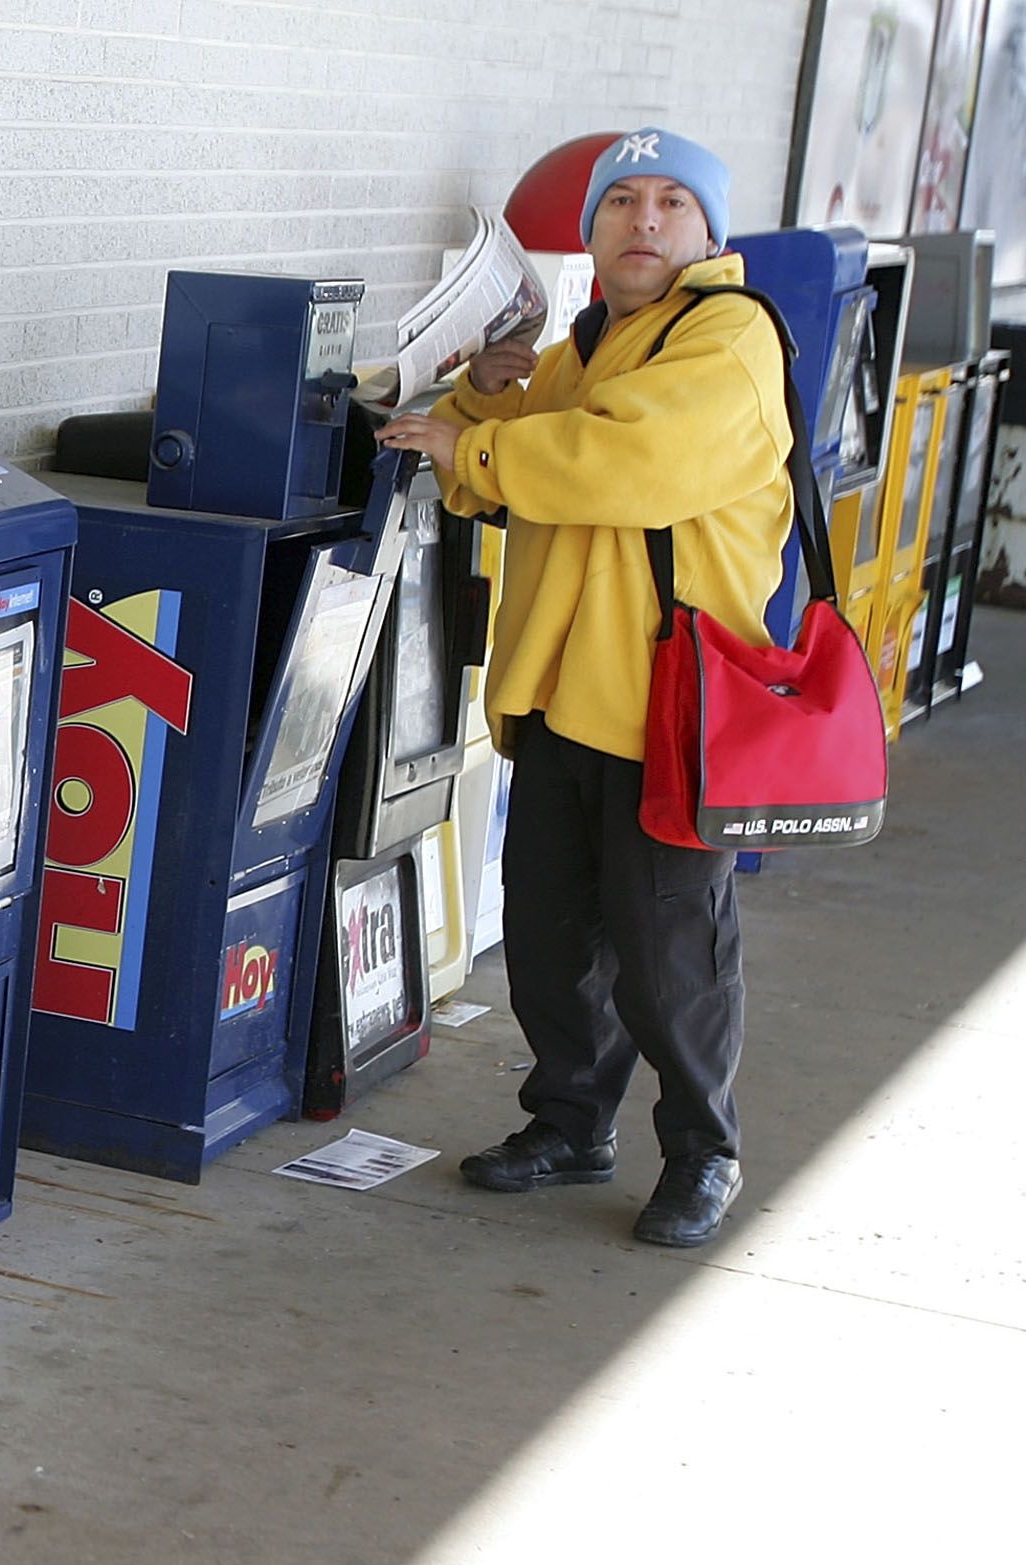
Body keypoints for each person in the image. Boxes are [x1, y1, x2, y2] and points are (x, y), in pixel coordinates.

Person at [377, 129, 793, 1248]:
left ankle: (706, 1151)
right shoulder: (594, 339)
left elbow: (619, 464)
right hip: (565, 695)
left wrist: (478, 448)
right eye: (620, 203)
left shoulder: (728, 341)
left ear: (709, 233)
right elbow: (512, 447)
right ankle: (571, 1125)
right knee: (557, 943)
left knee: (670, 957)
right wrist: (473, 393)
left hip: (670, 705)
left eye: (669, 204)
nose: (642, 222)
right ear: (594, 229)